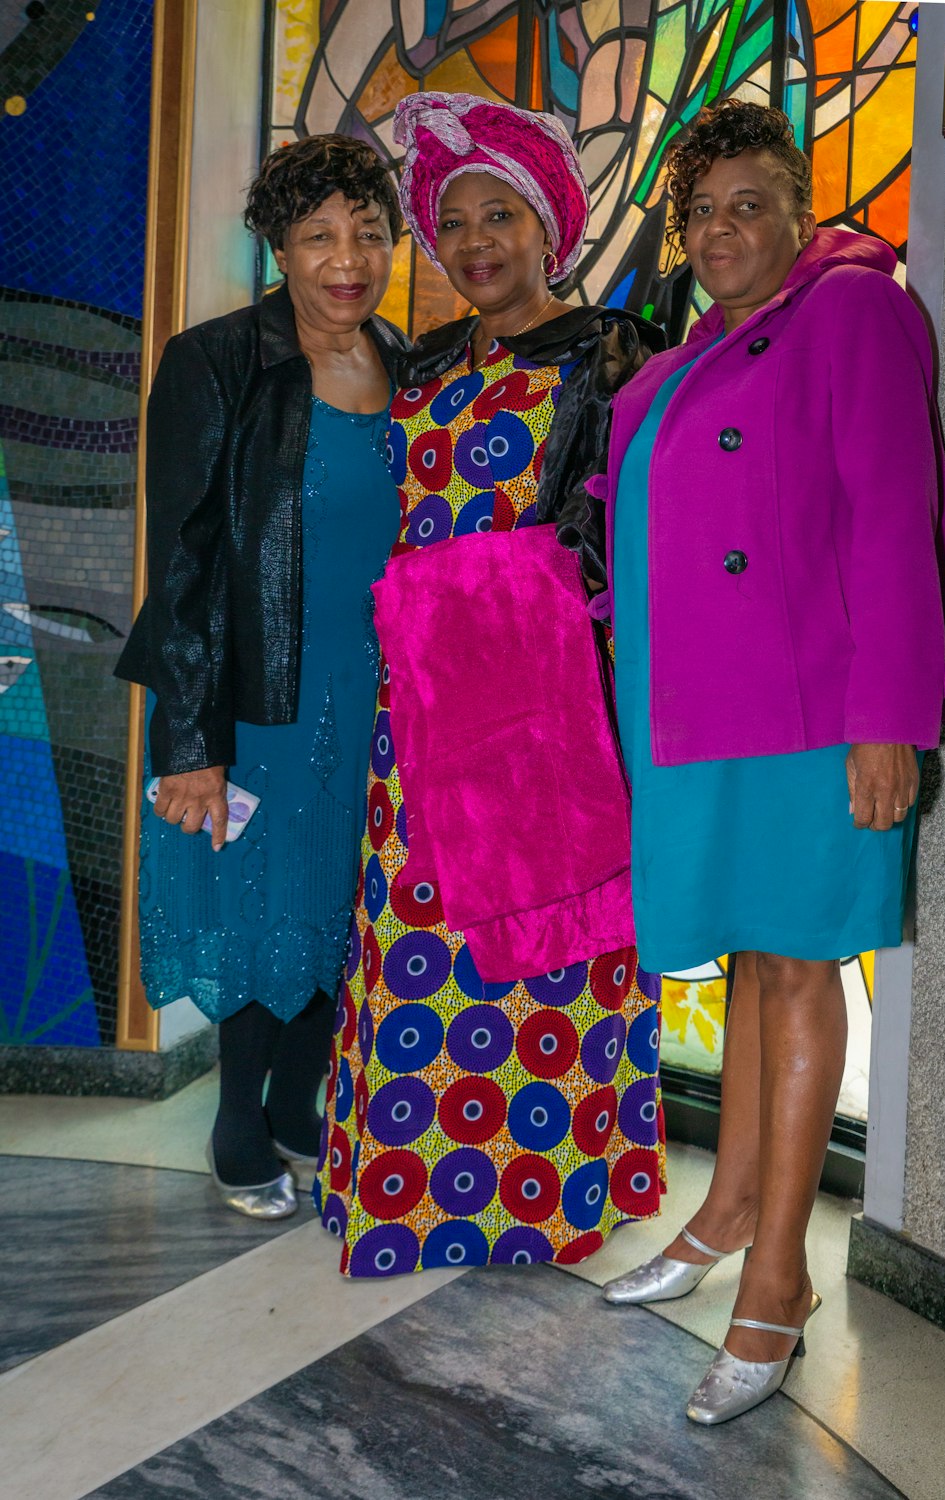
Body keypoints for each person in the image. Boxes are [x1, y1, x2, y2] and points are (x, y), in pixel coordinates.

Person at [598, 99, 945, 1422]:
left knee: (802, 965)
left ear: (801, 210)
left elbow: (891, 515)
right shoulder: (699, 352)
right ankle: (724, 1215)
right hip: (705, 718)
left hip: (815, 715)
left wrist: (888, 718)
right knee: (760, 958)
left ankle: (778, 1285)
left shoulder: (852, 314)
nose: (721, 231)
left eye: (750, 203)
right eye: (702, 212)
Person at [314, 91, 668, 1276]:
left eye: (499, 214)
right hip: (414, 712)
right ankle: (419, 1193)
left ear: (549, 225)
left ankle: (544, 1191)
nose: (474, 242)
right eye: (452, 221)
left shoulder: (611, 350)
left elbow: (617, 529)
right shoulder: (420, 363)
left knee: (550, 945)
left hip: (542, 706)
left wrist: (476, 599)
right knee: (423, 941)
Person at [115, 136, 409, 1218]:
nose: (348, 259)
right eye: (319, 236)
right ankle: (240, 1122)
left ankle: (299, 1108)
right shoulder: (216, 360)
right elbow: (183, 558)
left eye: (368, 233)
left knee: (338, 904)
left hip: (376, 696)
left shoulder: (409, 364)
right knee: (254, 903)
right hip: (259, 693)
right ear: (278, 247)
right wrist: (191, 744)